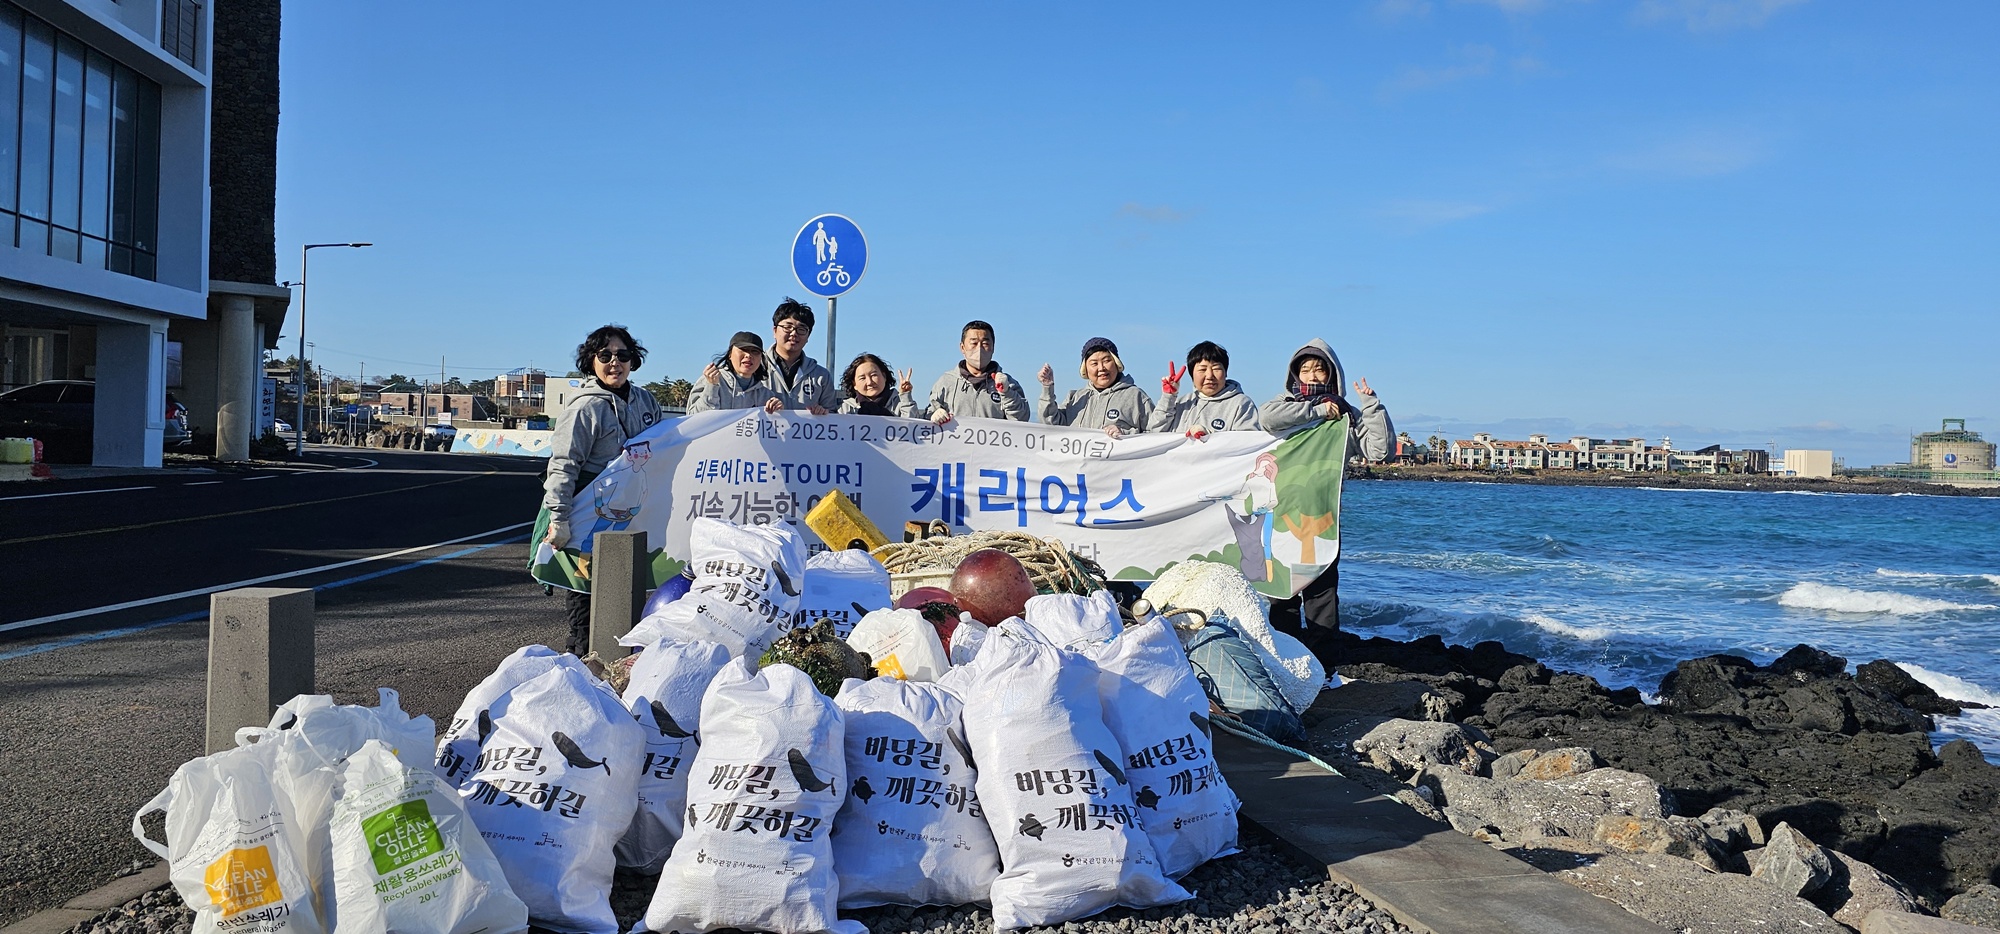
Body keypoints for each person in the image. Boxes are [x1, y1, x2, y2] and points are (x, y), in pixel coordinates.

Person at [1257, 338, 1393, 659]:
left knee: (1322, 594)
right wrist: (1317, 410)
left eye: (1320, 369)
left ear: (1332, 374)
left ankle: (1325, 667)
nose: (1312, 376)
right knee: (1282, 596)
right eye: (1305, 370)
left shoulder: (1347, 415)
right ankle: (1285, 662)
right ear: (1295, 374)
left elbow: (1379, 450)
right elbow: (1267, 418)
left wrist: (1372, 407)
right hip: (1281, 513)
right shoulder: (1286, 403)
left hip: (1323, 516)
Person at [540, 324, 664, 656]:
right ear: (591, 361)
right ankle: (581, 660)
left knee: (625, 589)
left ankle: (618, 662)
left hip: (628, 512)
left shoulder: (646, 400)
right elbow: (563, 464)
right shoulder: (585, 407)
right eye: (605, 355)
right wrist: (559, 517)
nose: (615, 362)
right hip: (586, 511)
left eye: (622, 355)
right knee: (585, 591)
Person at [1037, 336, 1154, 437]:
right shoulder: (1075, 398)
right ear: (1086, 369)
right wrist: (1047, 388)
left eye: (1107, 360)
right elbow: (1051, 425)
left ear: (1117, 364)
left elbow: (1156, 435)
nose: (1101, 368)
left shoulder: (1135, 396)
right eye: (1094, 363)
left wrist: (1125, 434)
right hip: (1077, 463)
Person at [1148, 340, 1261, 437]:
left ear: (1226, 372)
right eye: (1202, 370)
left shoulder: (1241, 404)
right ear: (1192, 375)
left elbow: (1248, 445)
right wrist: (1168, 397)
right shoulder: (1184, 402)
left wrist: (1209, 437)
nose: (1209, 376)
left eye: (1216, 369)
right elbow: (1155, 432)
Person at [925, 319, 1029, 423]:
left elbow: (1021, 419)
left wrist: (1007, 393)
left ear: (993, 347)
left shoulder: (1008, 383)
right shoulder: (946, 382)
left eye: (985, 343)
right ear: (962, 347)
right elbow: (928, 417)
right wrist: (934, 415)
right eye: (974, 343)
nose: (979, 348)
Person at [760, 298, 841, 414]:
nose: (794, 333)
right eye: (787, 327)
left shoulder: (821, 376)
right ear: (775, 331)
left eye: (801, 329)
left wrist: (824, 413)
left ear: (808, 336)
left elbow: (832, 414)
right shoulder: (757, 367)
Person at [688, 331, 783, 414]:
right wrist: (711, 388)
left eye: (755, 351)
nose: (748, 355)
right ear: (730, 354)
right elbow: (693, 418)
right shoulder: (710, 379)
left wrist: (779, 413)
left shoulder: (766, 395)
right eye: (743, 349)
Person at [838, 353, 920, 417]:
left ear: (884, 376)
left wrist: (906, 397)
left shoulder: (900, 403)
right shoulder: (846, 409)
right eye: (862, 378)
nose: (869, 382)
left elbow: (912, 427)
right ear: (854, 384)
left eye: (874, 375)